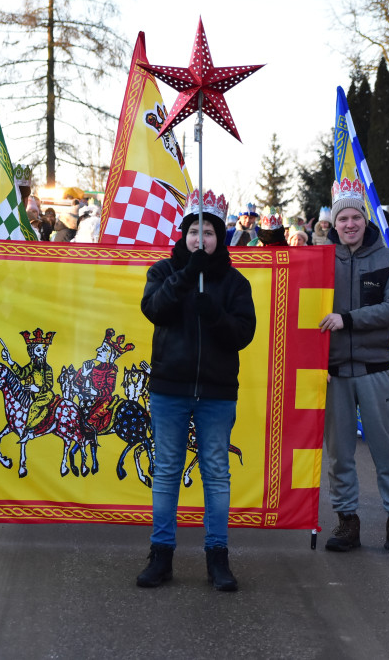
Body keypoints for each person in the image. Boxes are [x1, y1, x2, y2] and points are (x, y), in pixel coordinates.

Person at [136, 189, 256, 592]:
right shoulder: (163, 271)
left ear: (220, 237)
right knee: (167, 471)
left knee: (216, 475)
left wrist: (216, 315)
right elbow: (153, 309)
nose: (200, 239)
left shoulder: (235, 282)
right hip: (170, 389)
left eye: (208, 232)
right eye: (194, 231)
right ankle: (161, 554)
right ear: (183, 234)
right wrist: (187, 275)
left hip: (217, 394)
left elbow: (243, 334)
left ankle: (217, 557)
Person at [318, 178, 389, 557]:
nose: (349, 224)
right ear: (334, 223)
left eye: (354, 217)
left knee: (388, 452)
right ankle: (347, 522)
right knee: (340, 455)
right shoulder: (321, 262)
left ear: (364, 218)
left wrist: (349, 318)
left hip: (377, 371)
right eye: (342, 218)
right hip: (335, 374)